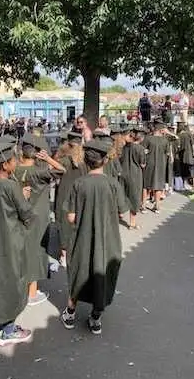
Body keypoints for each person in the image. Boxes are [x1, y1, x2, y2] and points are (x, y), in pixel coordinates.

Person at [61, 140, 128, 335]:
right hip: (108, 240)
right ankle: (96, 317)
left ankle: (70, 312)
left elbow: (71, 217)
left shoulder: (78, 183)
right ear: (105, 160)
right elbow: (123, 212)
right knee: (103, 274)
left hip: (82, 238)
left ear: (86, 161)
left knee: (79, 272)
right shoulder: (113, 183)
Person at [0, 141, 37, 347]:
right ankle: (8, 329)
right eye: (13, 159)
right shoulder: (11, 186)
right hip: (9, 241)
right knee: (12, 281)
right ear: (5, 165)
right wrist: (25, 197)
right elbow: (26, 214)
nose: (16, 161)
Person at [13, 133, 65, 306]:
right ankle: (32, 293)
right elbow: (61, 170)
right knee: (35, 252)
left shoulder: (15, 170)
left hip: (20, 215)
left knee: (23, 250)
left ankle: (20, 287)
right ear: (36, 154)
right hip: (38, 216)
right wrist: (48, 158)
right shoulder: (39, 172)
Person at [54, 132, 87, 267]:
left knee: (64, 223)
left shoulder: (64, 161)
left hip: (64, 194)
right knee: (79, 222)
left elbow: (53, 171)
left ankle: (64, 255)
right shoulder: (85, 161)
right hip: (80, 195)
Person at [120, 127, 146, 228]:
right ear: (141, 138)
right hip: (135, 175)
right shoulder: (140, 149)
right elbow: (143, 164)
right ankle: (132, 223)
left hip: (124, 172)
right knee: (134, 198)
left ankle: (120, 213)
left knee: (123, 194)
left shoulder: (125, 147)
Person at [142, 121, 169, 213]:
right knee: (158, 185)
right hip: (161, 165)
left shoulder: (147, 139)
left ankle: (144, 206)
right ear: (161, 130)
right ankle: (157, 206)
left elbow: (143, 151)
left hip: (149, 164)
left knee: (145, 185)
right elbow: (167, 153)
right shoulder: (165, 140)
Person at [177, 122, 194, 190]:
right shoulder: (189, 134)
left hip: (181, 155)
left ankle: (184, 183)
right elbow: (193, 144)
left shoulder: (178, 135)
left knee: (183, 170)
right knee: (192, 170)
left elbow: (178, 146)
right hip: (189, 154)